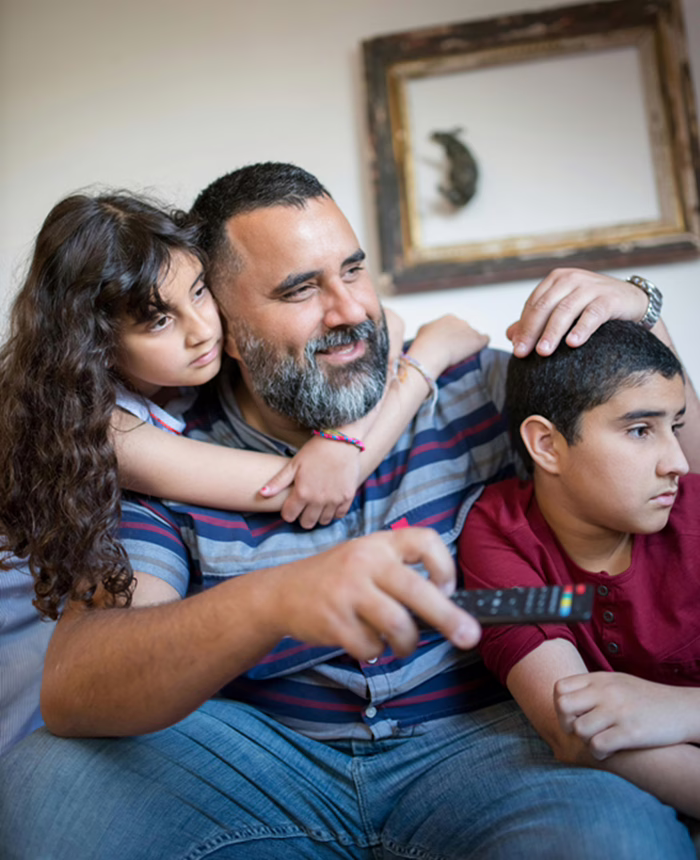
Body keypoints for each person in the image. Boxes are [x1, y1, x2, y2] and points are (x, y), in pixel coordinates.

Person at [0, 162, 697, 859]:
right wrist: (275, 599)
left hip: (489, 743)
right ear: (227, 328)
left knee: (617, 840)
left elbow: (680, 469)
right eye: (301, 289)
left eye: (354, 271)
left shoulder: (477, 387)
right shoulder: (172, 453)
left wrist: (644, 309)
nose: (349, 310)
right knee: (52, 781)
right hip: (273, 766)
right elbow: (78, 686)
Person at [0, 191, 487, 626]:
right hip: (26, 624)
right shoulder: (106, 428)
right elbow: (317, 484)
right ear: (96, 344)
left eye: (198, 293)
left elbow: (391, 323)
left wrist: (340, 437)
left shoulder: (183, 375)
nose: (203, 330)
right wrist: (426, 363)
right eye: (158, 321)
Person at [458, 319, 700, 819]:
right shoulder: (496, 533)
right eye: (639, 430)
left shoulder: (693, 515)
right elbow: (570, 732)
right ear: (547, 445)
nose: (677, 462)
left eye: (674, 427)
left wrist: (683, 709)